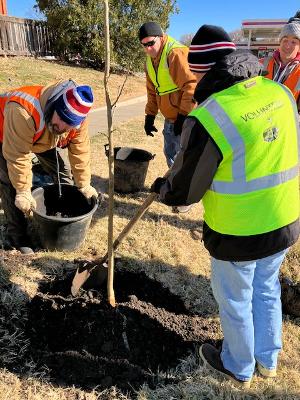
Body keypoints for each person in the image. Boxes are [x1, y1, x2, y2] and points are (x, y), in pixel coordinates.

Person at [151, 25, 300, 388]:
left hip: (239, 231)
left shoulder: (212, 116)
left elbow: (184, 192)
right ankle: (268, 360)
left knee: (235, 299)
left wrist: (164, 189)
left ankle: (238, 366)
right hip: (284, 219)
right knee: (266, 289)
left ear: (203, 69)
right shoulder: (279, 92)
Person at [0, 79, 98, 254]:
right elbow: (18, 156)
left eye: (70, 124)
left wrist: (84, 184)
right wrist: (23, 190)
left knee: (62, 171)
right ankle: (17, 235)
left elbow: (80, 151)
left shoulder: (77, 120)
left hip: (43, 138)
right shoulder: (23, 110)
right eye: (61, 118)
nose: (63, 127)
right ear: (53, 106)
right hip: (6, 135)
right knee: (10, 182)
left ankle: (65, 215)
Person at [139, 21, 197, 168]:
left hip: (185, 119)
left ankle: (181, 189)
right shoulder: (150, 60)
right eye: (144, 45)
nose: (148, 48)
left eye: (151, 43)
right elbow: (152, 90)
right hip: (170, 119)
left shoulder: (175, 53)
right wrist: (150, 116)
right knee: (171, 155)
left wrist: (183, 117)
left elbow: (191, 85)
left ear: (161, 36)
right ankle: (174, 187)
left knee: (183, 160)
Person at [262, 11, 300, 112]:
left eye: (294, 42)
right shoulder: (261, 63)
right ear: (279, 42)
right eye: (285, 40)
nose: (288, 45)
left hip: (286, 124)